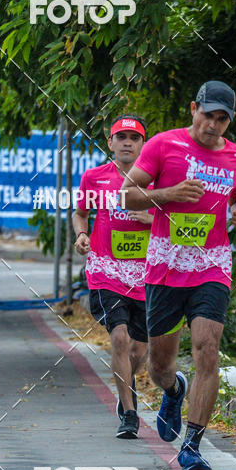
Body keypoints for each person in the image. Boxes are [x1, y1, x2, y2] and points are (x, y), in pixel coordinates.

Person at [122, 81, 236, 470]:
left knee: (206, 349)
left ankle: (193, 444)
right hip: (164, 265)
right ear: (193, 108)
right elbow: (127, 196)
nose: (213, 125)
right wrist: (170, 194)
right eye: (207, 114)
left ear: (229, 121)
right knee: (159, 366)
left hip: (212, 265)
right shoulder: (164, 144)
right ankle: (174, 390)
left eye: (222, 118)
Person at [73, 115, 153, 439]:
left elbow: (175, 221)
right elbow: (81, 212)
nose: (127, 143)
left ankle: (126, 388)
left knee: (139, 351)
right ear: (110, 143)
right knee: (119, 336)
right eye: (121, 137)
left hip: (148, 275)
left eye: (134, 138)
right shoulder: (94, 178)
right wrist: (81, 234)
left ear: (142, 144)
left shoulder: (156, 180)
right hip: (106, 270)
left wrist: (150, 219)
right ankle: (130, 414)